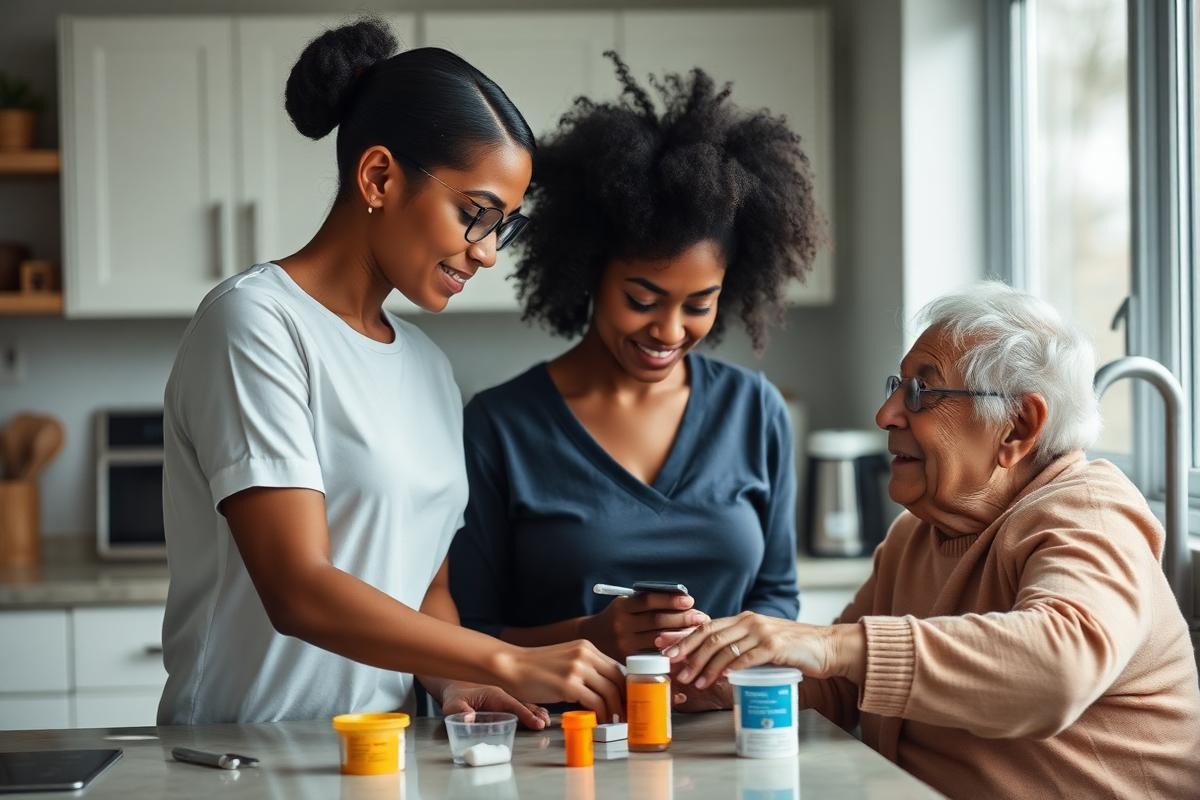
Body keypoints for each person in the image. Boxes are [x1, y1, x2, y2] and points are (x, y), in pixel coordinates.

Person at [158, 18, 623, 727]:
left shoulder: (429, 367)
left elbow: (424, 588)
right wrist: (503, 660)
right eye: (476, 215)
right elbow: (299, 589)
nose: (490, 253)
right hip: (242, 758)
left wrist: (451, 681)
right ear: (379, 176)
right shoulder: (255, 324)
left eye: (505, 226)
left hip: (378, 756)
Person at [665, 283, 1200, 798]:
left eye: (922, 391)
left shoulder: (1088, 511)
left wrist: (831, 645)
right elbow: (843, 684)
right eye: (896, 387)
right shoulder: (917, 535)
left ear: (1017, 426)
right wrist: (715, 680)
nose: (886, 415)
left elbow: (1059, 669)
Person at [449, 53, 821, 711]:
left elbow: (776, 599)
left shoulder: (754, 411)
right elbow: (467, 634)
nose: (669, 331)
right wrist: (590, 636)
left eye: (699, 303)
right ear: (589, 272)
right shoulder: (500, 427)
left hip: (727, 751)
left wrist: (721, 659)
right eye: (643, 298)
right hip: (562, 755)